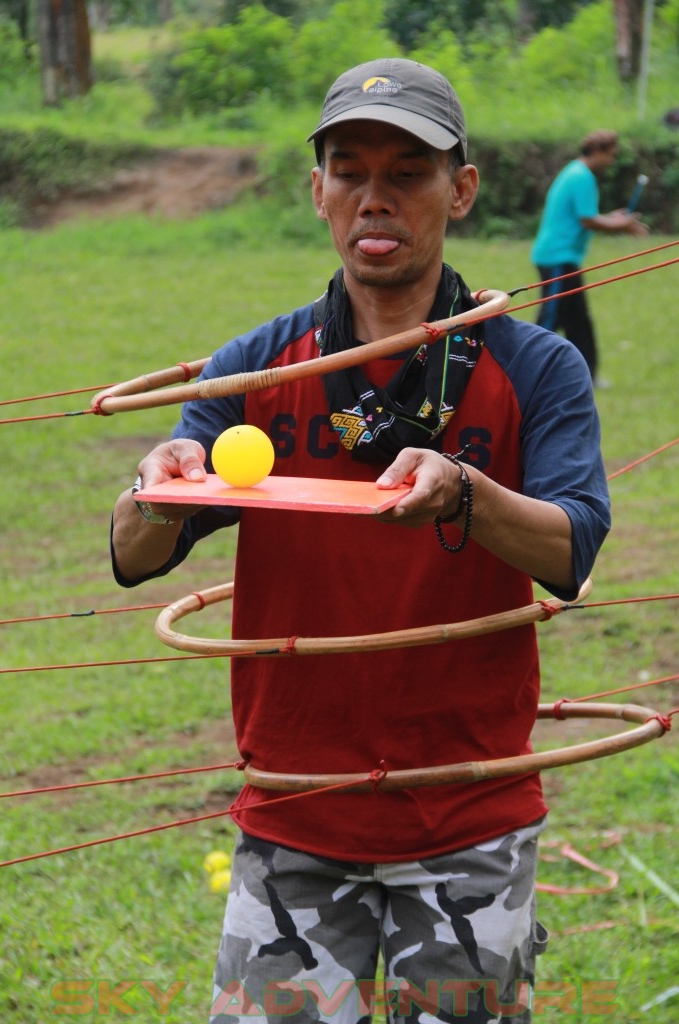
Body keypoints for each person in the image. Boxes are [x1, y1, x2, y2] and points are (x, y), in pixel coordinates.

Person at [111, 58, 611, 1024]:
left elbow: (573, 547)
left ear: (459, 190)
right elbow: (136, 553)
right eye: (348, 170)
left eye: (408, 172)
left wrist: (465, 491)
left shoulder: (533, 364)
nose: (373, 198)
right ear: (317, 192)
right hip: (295, 807)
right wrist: (162, 480)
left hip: (467, 809)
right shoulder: (255, 366)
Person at [531, 129, 648, 385]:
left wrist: (614, 219)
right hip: (556, 258)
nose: (611, 161)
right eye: (610, 155)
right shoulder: (581, 177)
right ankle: (528, 372)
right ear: (597, 151)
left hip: (564, 257)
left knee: (578, 321)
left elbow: (588, 216)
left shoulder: (576, 172)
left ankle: (586, 376)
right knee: (549, 320)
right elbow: (588, 220)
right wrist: (622, 225)